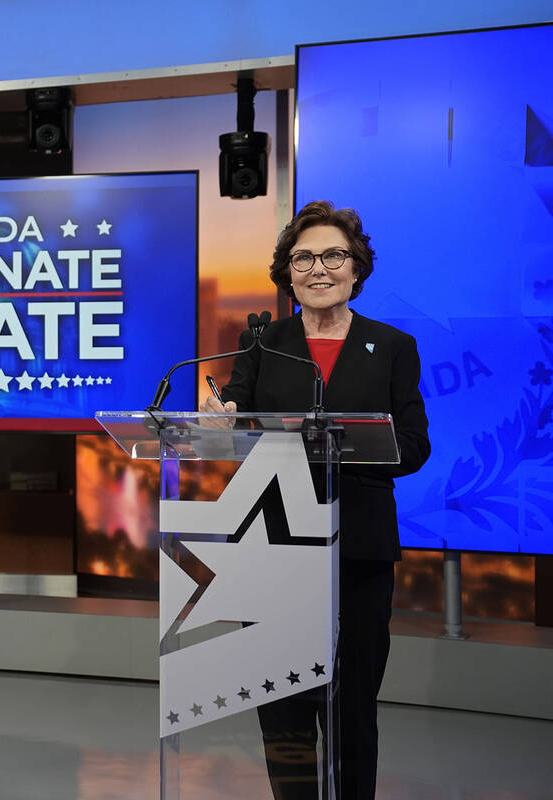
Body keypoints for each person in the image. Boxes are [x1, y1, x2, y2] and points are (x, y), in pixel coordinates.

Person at [202, 201, 429, 800]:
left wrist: (346, 445)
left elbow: (414, 448)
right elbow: (237, 425)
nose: (318, 268)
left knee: (354, 700)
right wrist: (223, 420)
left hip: (360, 543)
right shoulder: (262, 342)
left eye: (334, 255)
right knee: (281, 699)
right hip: (274, 535)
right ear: (288, 271)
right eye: (303, 257)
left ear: (357, 268)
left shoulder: (394, 345)